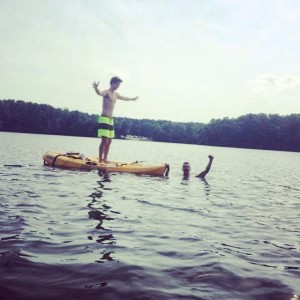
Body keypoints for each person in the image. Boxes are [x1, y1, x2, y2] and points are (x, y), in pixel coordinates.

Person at [92, 76, 138, 163]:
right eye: (117, 84)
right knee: (104, 140)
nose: (118, 86)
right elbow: (100, 93)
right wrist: (96, 88)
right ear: (112, 83)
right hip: (104, 118)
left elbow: (124, 98)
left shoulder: (116, 94)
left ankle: (105, 159)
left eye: (119, 85)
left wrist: (132, 99)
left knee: (109, 140)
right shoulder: (107, 92)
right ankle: (100, 160)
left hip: (110, 119)